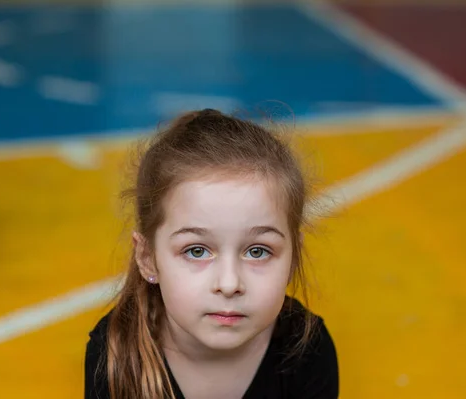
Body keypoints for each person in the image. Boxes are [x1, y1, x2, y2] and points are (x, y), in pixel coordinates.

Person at [84, 109, 339, 399]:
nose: (229, 284)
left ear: (293, 257)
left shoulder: (307, 351)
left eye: (257, 251)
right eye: (196, 250)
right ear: (147, 258)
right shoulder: (115, 352)